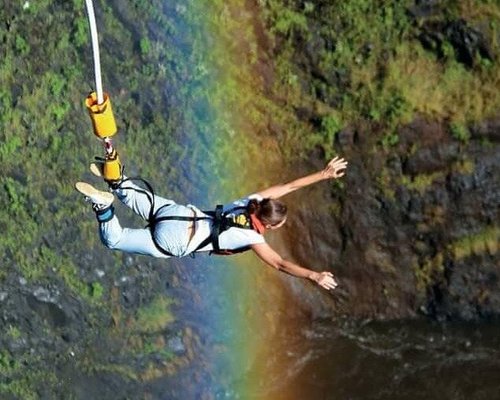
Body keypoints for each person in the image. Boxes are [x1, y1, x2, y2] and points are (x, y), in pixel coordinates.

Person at [75, 156, 348, 291]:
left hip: (180, 213)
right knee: (115, 239)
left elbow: (287, 187)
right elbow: (280, 264)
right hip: (177, 240)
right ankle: (103, 206)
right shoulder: (252, 238)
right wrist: (314, 275)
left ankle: (115, 177)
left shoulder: (251, 200)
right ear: (271, 225)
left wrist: (323, 174)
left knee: (130, 192)